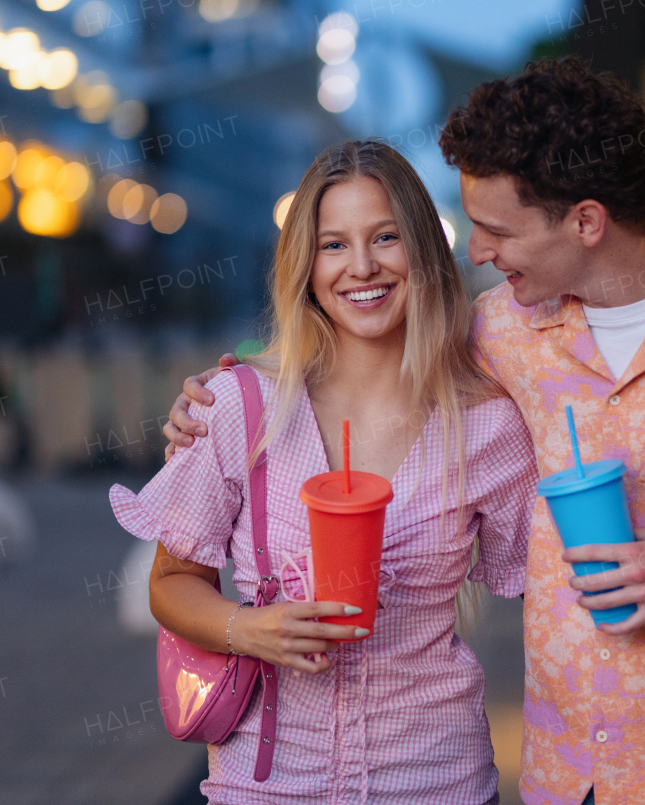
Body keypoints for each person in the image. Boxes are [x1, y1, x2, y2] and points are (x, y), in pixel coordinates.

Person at [167, 58, 645, 805]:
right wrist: (230, 393)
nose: (480, 253)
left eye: (496, 231)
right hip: (574, 778)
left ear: (585, 221)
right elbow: (371, 348)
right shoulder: (500, 331)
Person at [112, 139, 537, 804]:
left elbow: (545, 588)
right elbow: (170, 583)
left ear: (423, 249)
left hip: (435, 778)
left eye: (386, 237)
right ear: (304, 264)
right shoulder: (236, 407)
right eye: (333, 244)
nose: (361, 266)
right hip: (268, 781)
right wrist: (246, 628)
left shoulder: (487, 425)